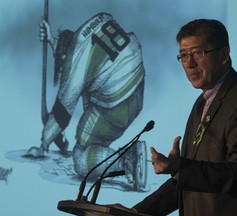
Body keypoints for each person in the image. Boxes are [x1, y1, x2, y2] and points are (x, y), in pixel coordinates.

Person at [129, 19, 237, 215]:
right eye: (183, 56)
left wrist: (182, 168)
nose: (189, 64)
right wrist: (134, 212)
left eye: (198, 53)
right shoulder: (202, 104)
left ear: (224, 55)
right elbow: (186, 183)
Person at [26, 12, 147, 190]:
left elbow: (61, 114)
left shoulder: (73, 65)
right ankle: (101, 147)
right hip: (137, 86)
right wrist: (51, 39)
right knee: (91, 83)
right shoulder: (98, 21)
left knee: (81, 158)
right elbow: (78, 50)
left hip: (117, 104)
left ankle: (128, 161)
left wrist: (43, 144)